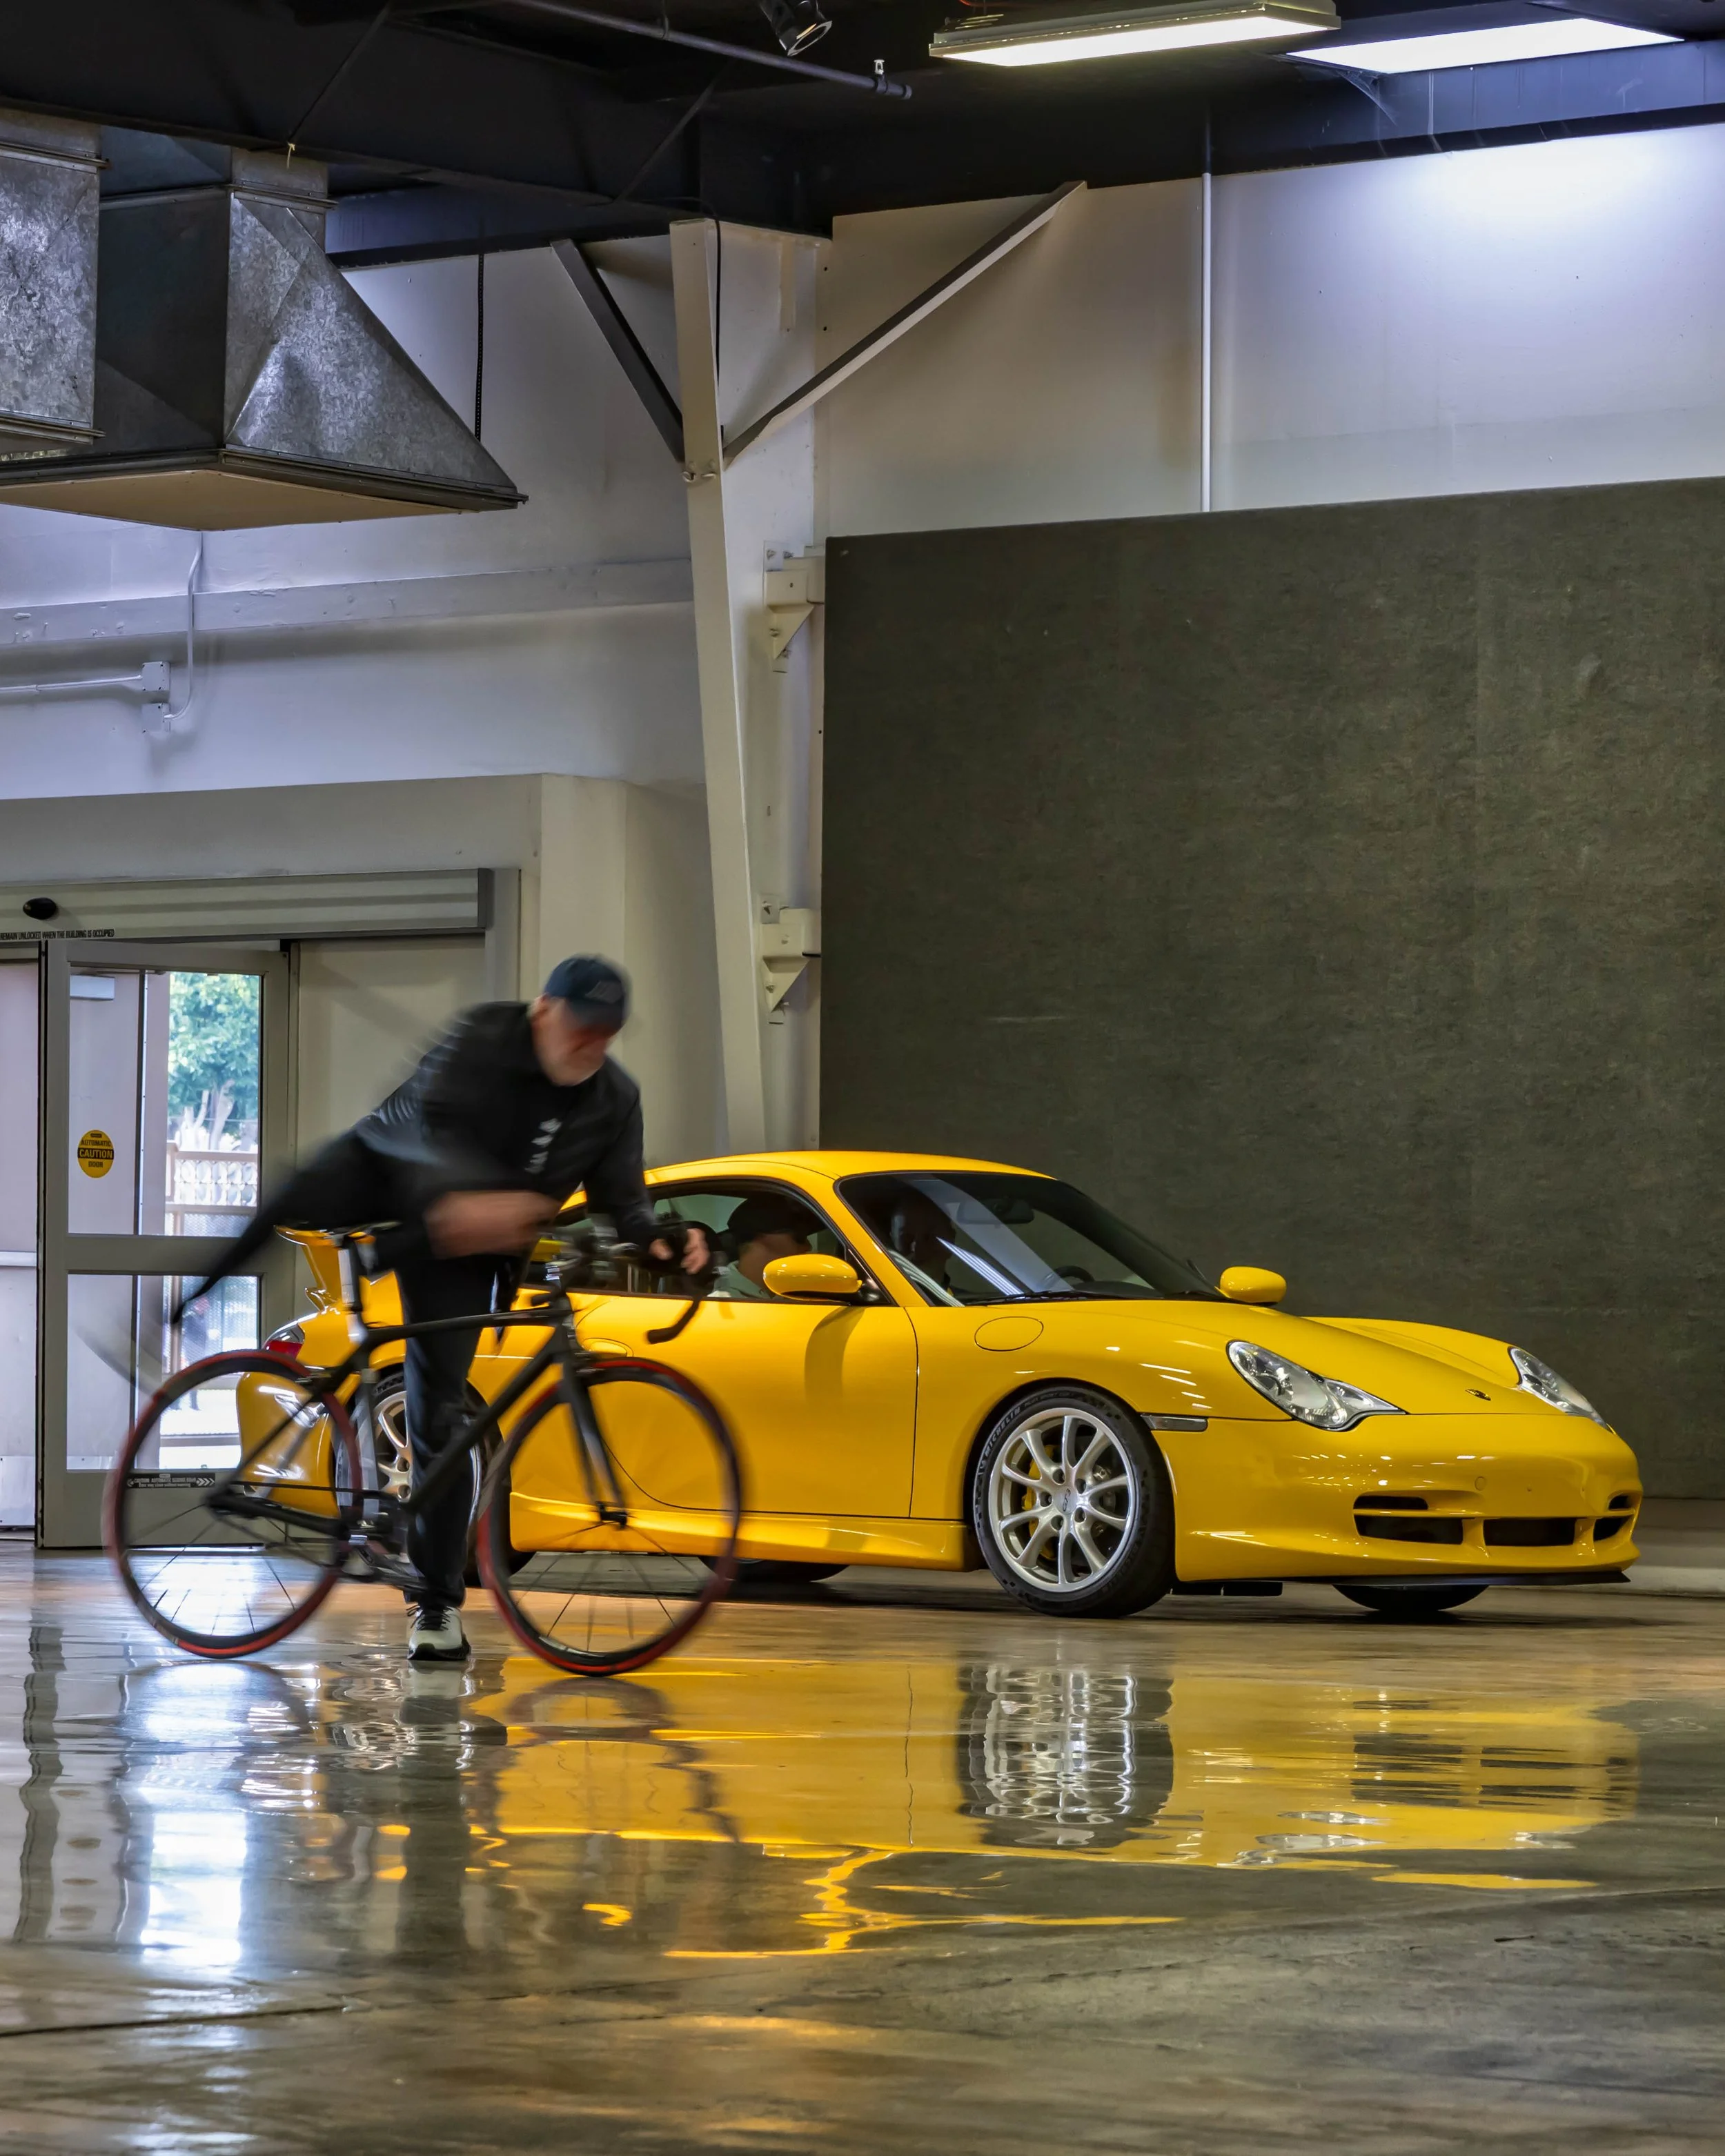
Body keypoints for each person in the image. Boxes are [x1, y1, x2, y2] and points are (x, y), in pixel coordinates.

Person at [182, 956, 708, 1663]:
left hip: (469, 1252)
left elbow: (622, 1199)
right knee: (300, 1188)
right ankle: (188, 1298)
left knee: (440, 1420)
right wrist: (466, 1198)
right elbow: (426, 1124)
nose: (590, 1045)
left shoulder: (613, 1097)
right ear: (543, 1011)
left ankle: (434, 1603)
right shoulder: (485, 1037)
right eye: (581, 1027)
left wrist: (666, 1239)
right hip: (392, 1175)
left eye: (605, 1033)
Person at [711, 1194, 816, 1300]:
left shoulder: (793, 1292)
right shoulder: (722, 1303)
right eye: (799, 1235)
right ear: (764, 1235)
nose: (808, 1247)